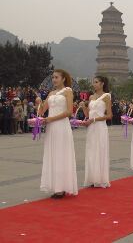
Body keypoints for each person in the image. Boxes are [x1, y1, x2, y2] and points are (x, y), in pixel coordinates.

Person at [36, 69, 78, 199]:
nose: (54, 80)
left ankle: (62, 187)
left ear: (63, 78)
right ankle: (55, 186)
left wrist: (52, 119)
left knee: (61, 154)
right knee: (53, 154)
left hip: (61, 125)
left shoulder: (68, 91)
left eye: (56, 77)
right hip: (51, 127)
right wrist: (38, 103)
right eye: (53, 77)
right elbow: (42, 110)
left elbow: (69, 112)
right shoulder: (51, 93)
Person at [81, 76, 112, 188]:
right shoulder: (91, 97)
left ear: (102, 83)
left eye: (96, 82)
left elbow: (109, 115)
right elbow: (88, 115)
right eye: (93, 82)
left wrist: (93, 120)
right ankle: (94, 177)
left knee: (100, 150)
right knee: (91, 150)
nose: (94, 84)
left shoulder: (106, 96)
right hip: (91, 126)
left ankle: (101, 178)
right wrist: (83, 108)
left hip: (100, 126)